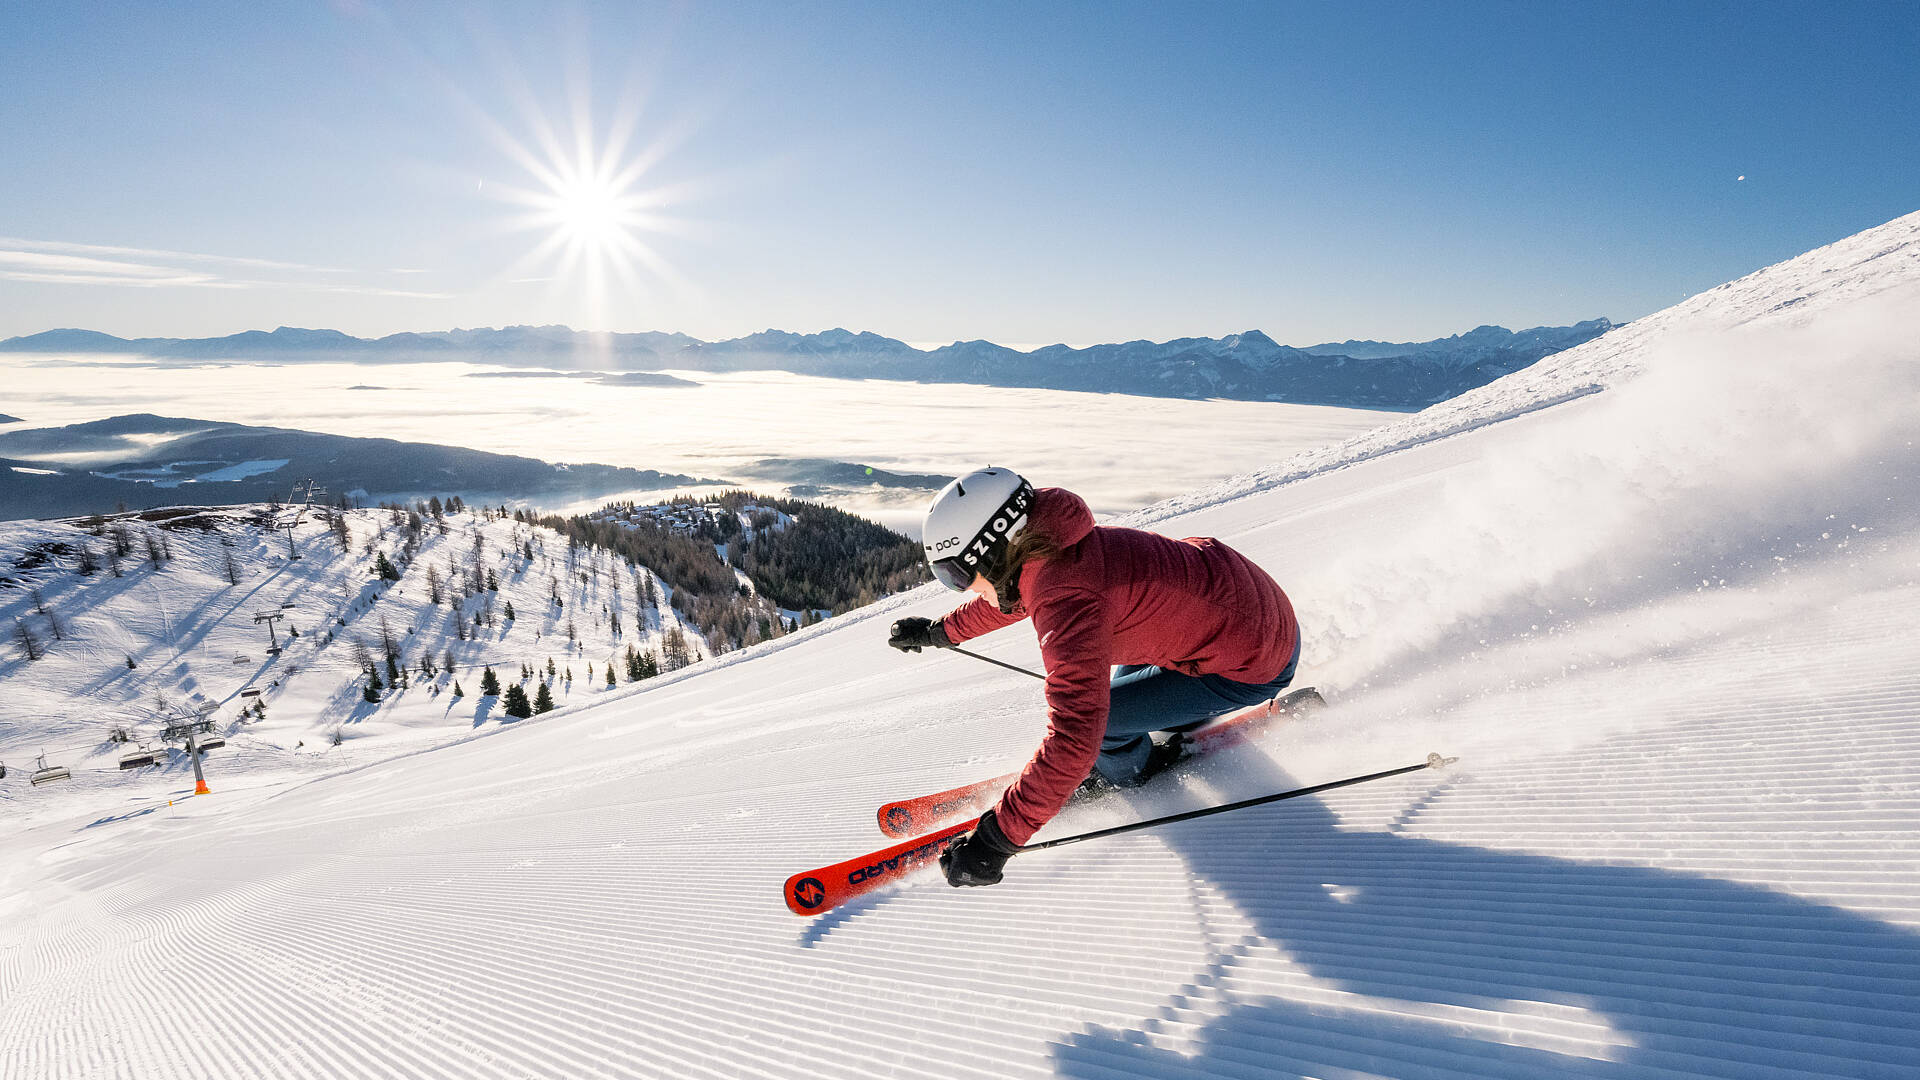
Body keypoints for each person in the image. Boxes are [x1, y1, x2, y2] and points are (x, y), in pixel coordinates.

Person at [889, 467, 1300, 888]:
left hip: (1252, 658)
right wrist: (941, 631)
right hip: (1232, 610)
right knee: (1114, 710)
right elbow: (1015, 595)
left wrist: (997, 839)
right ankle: (1138, 739)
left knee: (1103, 729)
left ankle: (1139, 770)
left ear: (992, 552)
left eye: (955, 575)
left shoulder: (1069, 598)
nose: (963, 588)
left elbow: (1075, 735)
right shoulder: (1052, 544)